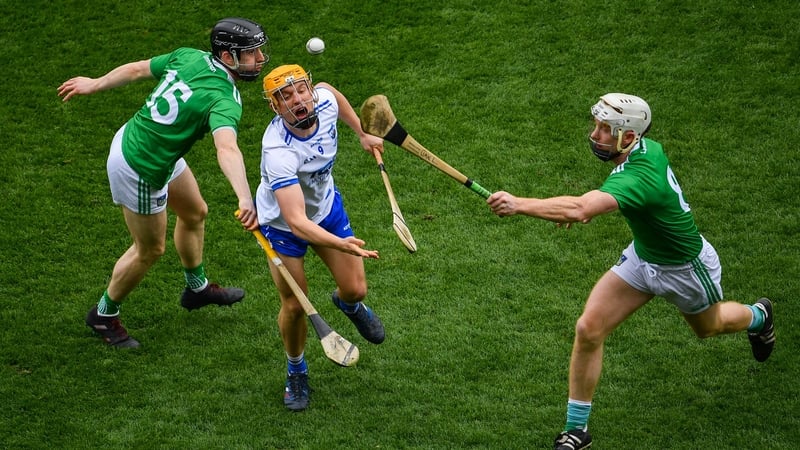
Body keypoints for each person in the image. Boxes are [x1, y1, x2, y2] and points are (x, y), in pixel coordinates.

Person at [487, 93, 776, 450]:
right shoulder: (645, 149)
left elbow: (579, 207)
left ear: (628, 135)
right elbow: (591, 205)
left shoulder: (640, 177)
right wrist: (573, 209)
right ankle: (577, 430)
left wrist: (519, 204)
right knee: (588, 328)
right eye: (597, 126)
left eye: (606, 129)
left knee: (709, 327)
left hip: (686, 268)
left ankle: (759, 317)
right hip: (643, 258)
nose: (596, 135)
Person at [57, 18, 269, 348]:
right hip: (141, 167)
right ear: (228, 57)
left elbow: (138, 69)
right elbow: (226, 147)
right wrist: (245, 198)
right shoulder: (225, 99)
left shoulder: (190, 56)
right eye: (252, 53)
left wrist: (96, 83)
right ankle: (103, 315)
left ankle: (196, 290)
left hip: (150, 145)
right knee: (150, 249)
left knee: (195, 212)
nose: (259, 59)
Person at [255, 64, 386, 411]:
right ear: (275, 107)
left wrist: (361, 132)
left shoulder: (323, 101)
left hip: (326, 209)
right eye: (285, 97)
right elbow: (297, 222)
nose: (297, 100)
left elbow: (332, 91)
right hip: (283, 228)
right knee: (296, 305)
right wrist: (339, 244)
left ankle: (348, 305)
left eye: (300, 91)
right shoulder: (278, 152)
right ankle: (296, 369)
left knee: (356, 289)